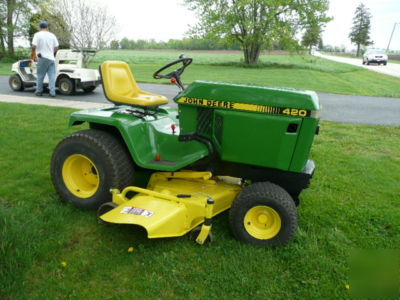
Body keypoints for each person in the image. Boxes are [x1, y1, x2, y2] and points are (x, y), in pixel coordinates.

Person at [31, 21, 59, 97]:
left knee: (40, 75)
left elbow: (34, 46)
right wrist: (52, 53)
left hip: (41, 57)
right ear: (47, 27)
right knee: (52, 76)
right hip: (51, 58)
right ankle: (52, 92)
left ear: (40, 27)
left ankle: (39, 91)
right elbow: (56, 47)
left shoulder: (37, 35)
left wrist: (33, 53)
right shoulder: (52, 35)